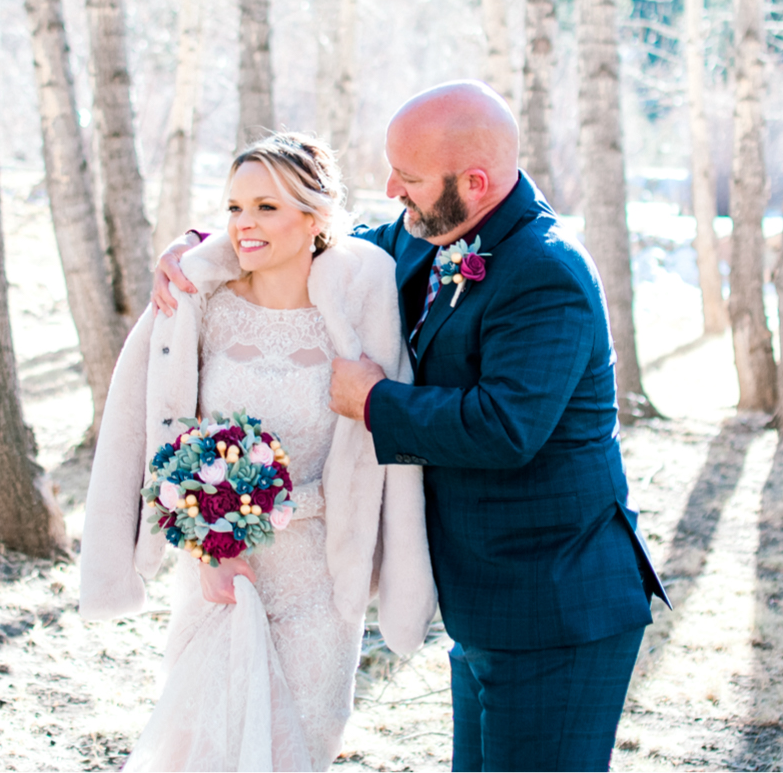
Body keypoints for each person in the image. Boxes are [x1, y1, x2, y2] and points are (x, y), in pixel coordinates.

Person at [156, 83, 668, 773]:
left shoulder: (548, 272)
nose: (392, 187)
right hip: (486, 599)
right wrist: (208, 247)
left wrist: (374, 401)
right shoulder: (435, 231)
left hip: (557, 605)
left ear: (476, 183)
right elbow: (326, 242)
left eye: (410, 176)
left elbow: (505, 427)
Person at [81, 134, 436, 772]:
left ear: (315, 217)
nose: (245, 224)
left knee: (296, 745)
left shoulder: (360, 303)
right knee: (209, 746)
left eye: (267, 207)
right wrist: (210, 548)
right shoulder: (202, 307)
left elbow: (375, 452)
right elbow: (173, 446)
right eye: (235, 207)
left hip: (320, 578)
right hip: (219, 574)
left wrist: (287, 508)